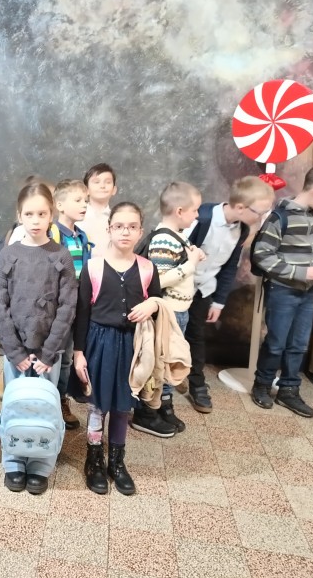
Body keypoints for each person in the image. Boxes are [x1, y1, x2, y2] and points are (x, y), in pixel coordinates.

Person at [0, 182, 77, 495]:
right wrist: (14, 352)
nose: (36, 220)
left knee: (44, 407)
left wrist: (49, 352)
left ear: (51, 214)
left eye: (42, 213)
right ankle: (14, 460)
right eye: (29, 214)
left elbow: (67, 307)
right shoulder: (9, 255)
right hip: (15, 352)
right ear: (19, 215)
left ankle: (41, 463)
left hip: (47, 354)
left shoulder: (61, 256)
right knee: (15, 405)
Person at [74, 202, 161, 496]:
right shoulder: (93, 267)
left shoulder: (147, 268)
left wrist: (153, 304)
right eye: (119, 226)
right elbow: (82, 312)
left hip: (132, 346)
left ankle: (117, 462)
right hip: (99, 343)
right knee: (98, 404)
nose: (125, 232)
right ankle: (94, 459)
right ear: (109, 229)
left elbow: (158, 302)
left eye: (132, 226)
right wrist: (78, 353)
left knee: (123, 404)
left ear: (140, 231)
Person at [251, 164, 313, 417]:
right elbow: (263, 255)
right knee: (276, 343)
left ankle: (289, 390)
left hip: (307, 294)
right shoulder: (279, 218)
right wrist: (301, 272)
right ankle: (262, 385)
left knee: (298, 344)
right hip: (283, 291)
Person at [182, 176, 275, 413]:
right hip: (178, 287)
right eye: (260, 213)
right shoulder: (202, 218)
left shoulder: (242, 229)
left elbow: (229, 267)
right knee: (168, 335)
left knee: (196, 337)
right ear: (241, 207)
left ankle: (197, 383)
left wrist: (219, 301)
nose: (262, 218)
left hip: (203, 290)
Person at [131, 182, 204, 437]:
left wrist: (192, 257)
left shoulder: (177, 237)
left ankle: (164, 406)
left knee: (170, 359)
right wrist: (190, 264)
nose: (197, 215)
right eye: (195, 210)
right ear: (180, 211)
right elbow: (159, 279)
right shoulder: (164, 239)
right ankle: (147, 411)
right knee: (160, 362)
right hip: (168, 312)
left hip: (178, 311)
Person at [50, 178, 91, 429]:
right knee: (52, 356)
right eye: (78, 200)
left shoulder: (81, 237)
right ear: (60, 205)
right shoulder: (53, 234)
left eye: (85, 200)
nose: (84, 205)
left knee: (67, 357)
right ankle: (47, 401)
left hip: (77, 306)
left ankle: (60, 399)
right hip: (57, 308)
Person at [77, 163, 117, 257]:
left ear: (114, 190)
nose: (102, 186)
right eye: (96, 182)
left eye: (108, 182)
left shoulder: (117, 219)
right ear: (86, 189)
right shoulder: (77, 217)